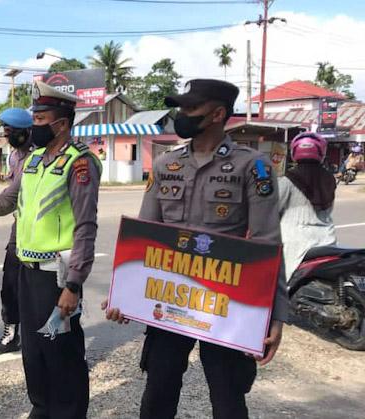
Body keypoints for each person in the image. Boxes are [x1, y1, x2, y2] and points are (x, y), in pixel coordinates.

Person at [104, 79, 290, 419]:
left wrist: (275, 314)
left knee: (227, 395)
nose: (182, 115)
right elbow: (147, 237)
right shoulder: (164, 165)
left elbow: (267, 243)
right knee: (158, 390)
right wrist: (124, 296)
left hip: (225, 302)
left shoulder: (253, 166)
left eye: (191, 109)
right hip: (170, 298)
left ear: (218, 114)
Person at [0, 80, 101, 419]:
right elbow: (4, 202)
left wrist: (73, 285)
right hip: (27, 273)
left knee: (62, 353)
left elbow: (85, 227)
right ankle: (42, 408)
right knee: (35, 354)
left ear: (61, 123)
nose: (34, 126)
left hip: (58, 278)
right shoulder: (34, 160)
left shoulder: (79, 163)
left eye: (40, 120)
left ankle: (67, 413)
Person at [0, 107, 34, 356]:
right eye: (6, 131)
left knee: (41, 289)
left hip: (42, 232)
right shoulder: (14, 156)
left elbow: (7, 200)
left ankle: (55, 342)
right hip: (19, 228)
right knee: (9, 285)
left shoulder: (38, 156)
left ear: (27, 132)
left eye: (12, 131)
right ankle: (11, 335)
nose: (8, 135)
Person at [278, 132, 337, 280]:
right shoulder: (330, 179)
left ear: (294, 152)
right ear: (321, 152)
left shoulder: (287, 181)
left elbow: (271, 209)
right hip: (327, 239)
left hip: (294, 242)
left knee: (283, 287)